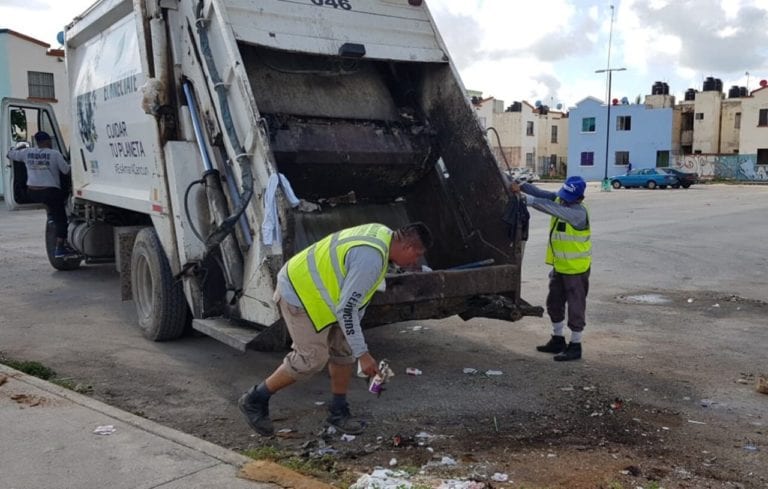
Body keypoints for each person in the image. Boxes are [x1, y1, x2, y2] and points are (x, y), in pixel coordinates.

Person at [239, 222, 433, 436]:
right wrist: (364, 354)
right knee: (311, 358)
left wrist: (357, 345)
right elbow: (347, 308)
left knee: (344, 349)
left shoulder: (383, 235)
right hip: (300, 291)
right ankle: (255, 399)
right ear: (406, 247)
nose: (415, 262)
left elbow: (354, 302)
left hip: (327, 296)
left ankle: (338, 412)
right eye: (416, 255)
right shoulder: (371, 259)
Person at [510, 176, 590, 361]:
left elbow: (548, 206)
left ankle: (575, 345)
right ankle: (558, 339)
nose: (562, 199)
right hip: (560, 267)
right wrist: (519, 183)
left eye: (567, 197)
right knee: (554, 303)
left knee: (576, 307)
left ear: (578, 198)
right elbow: (541, 193)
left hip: (576, 270)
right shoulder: (562, 200)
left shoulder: (578, 213)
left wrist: (523, 198)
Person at [6, 131, 76, 258]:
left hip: (32, 192)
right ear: (48, 141)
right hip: (50, 192)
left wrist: (19, 148)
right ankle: (60, 247)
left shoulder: (27, 153)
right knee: (61, 218)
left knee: (52, 208)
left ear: (37, 142)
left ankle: (50, 216)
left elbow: (10, 154)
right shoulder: (54, 154)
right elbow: (66, 170)